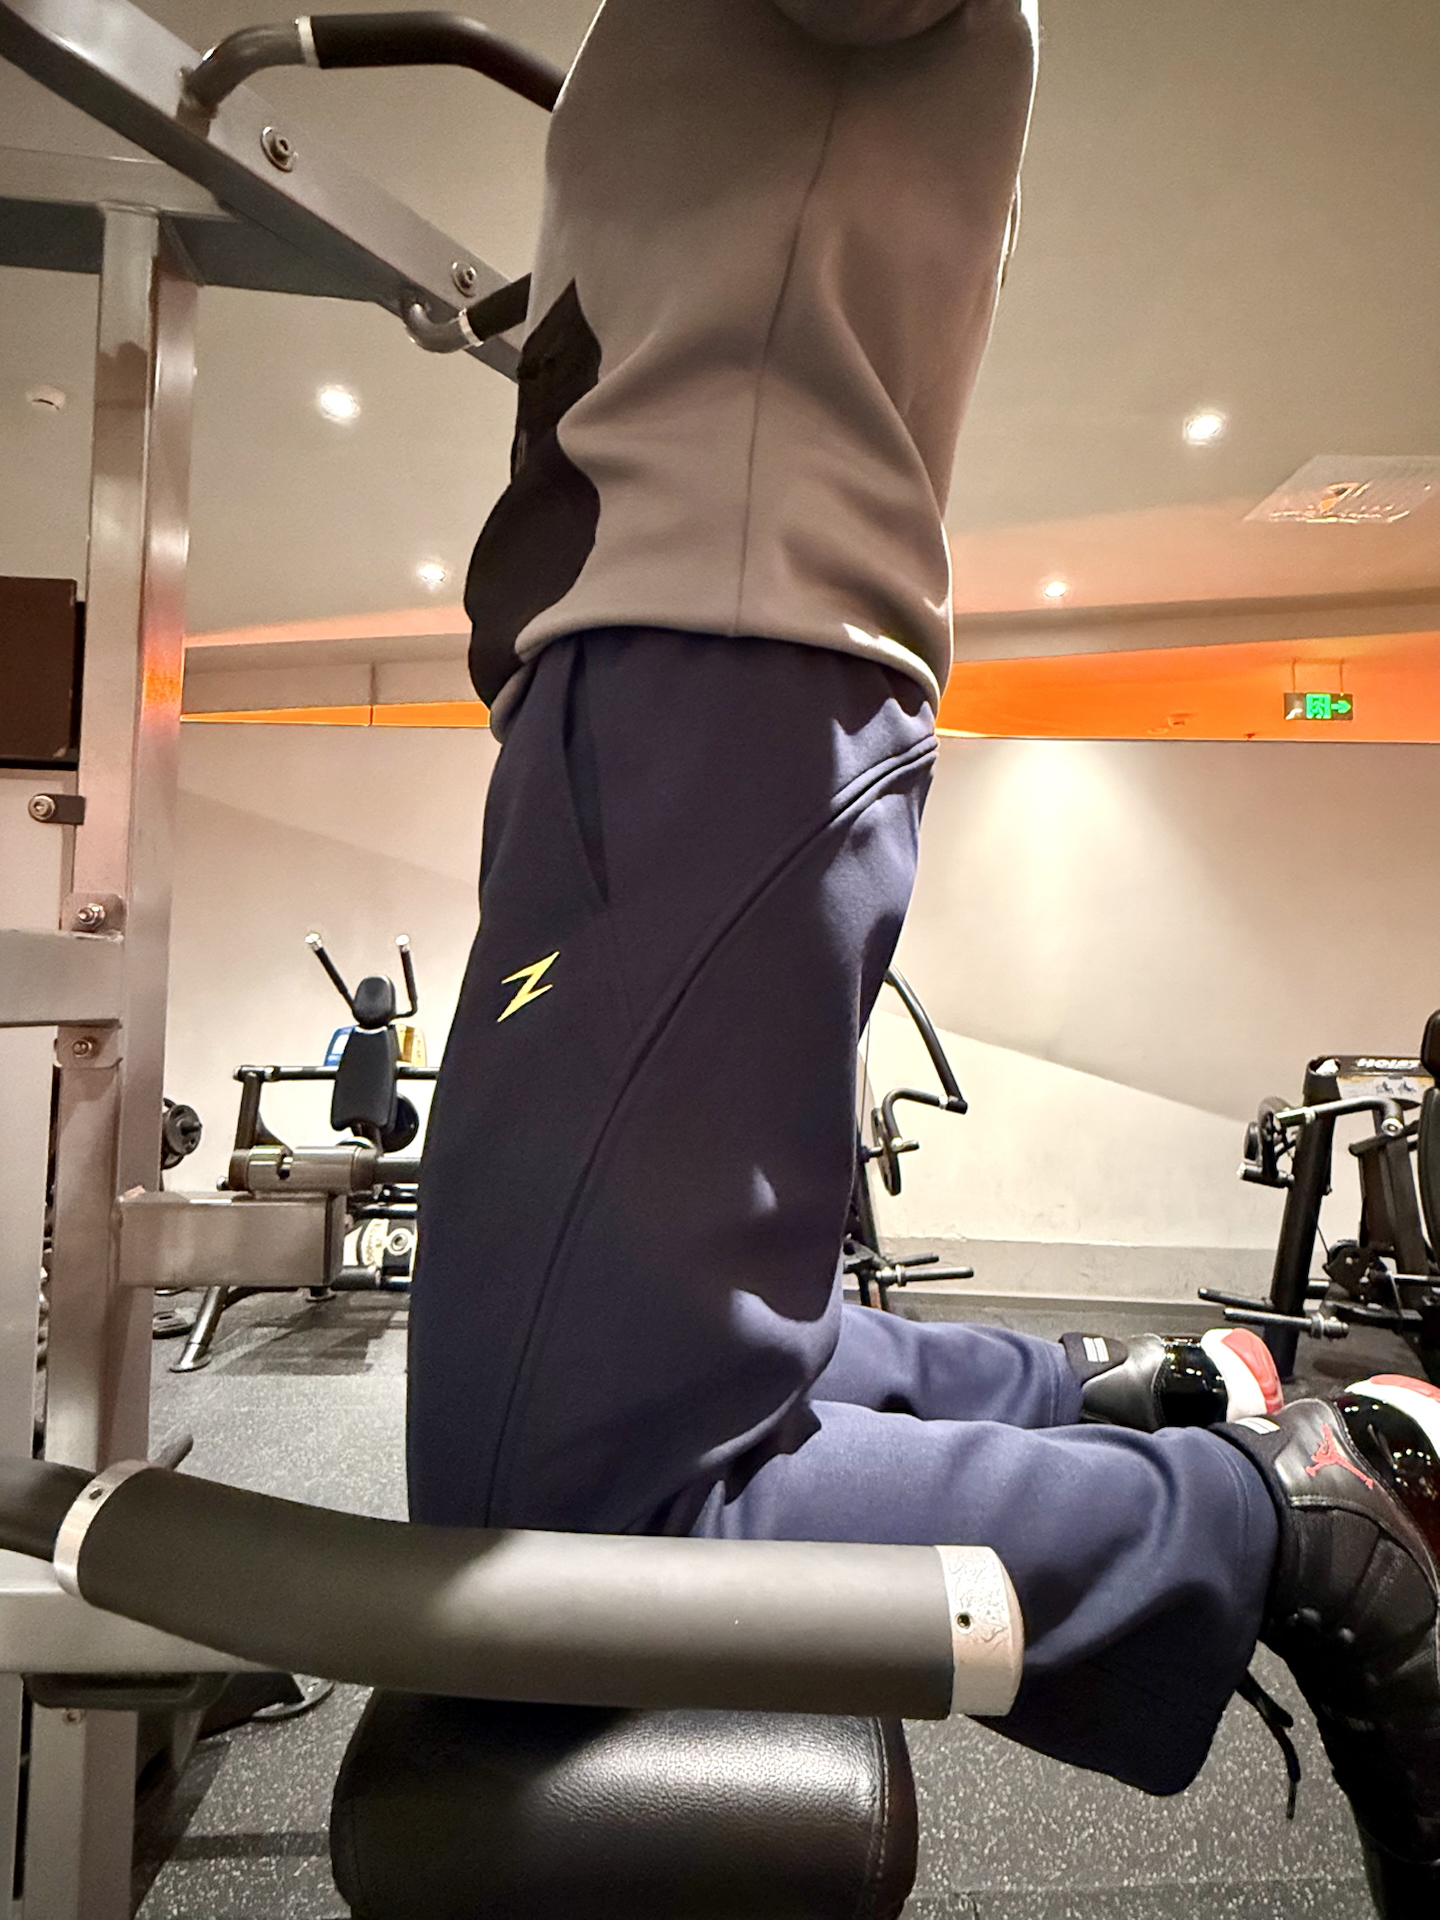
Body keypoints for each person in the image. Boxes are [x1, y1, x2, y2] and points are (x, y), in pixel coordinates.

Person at [406, 3, 1440, 1910]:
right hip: (653, 672)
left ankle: (1296, 1535)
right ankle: (1111, 1397)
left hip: (703, 657)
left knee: (573, 1510)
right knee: (584, 1406)